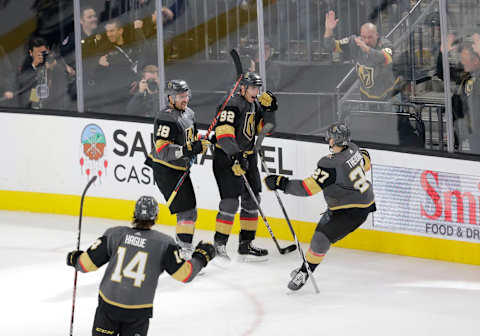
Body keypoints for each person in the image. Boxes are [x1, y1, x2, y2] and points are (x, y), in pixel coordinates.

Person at [66, 195, 215, 336]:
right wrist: (201, 257)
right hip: (137, 312)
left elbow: (85, 265)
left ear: (134, 214)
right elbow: (185, 274)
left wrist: (74, 258)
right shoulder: (164, 243)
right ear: (156, 217)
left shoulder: (115, 234)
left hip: (108, 306)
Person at [264, 122, 376, 290]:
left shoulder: (330, 164)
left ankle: (304, 272)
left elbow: (307, 189)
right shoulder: (353, 148)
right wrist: (361, 154)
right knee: (320, 234)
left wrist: (281, 183)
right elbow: (366, 161)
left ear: (333, 140)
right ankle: (307, 266)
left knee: (320, 238)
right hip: (352, 204)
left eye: (330, 136)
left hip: (352, 211)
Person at [211, 72, 277, 261]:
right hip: (226, 158)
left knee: (253, 199)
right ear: (243, 88)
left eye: (258, 88)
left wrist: (270, 110)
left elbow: (266, 130)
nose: (256, 92)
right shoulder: (231, 104)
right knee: (231, 202)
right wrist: (236, 155)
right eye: (253, 88)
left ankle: (245, 244)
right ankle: (220, 244)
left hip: (247, 158)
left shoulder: (255, 105)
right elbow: (223, 134)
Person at [145, 79, 208, 259]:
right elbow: (163, 150)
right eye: (180, 96)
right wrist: (188, 150)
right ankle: (183, 250)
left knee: (190, 209)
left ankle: (184, 244)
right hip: (166, 169)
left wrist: (201, 143)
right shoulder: (166, 117)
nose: (185, 99)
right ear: (170, 98)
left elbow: (191, 139)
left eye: (186, 95)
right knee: (186, 209)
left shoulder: (190, 113)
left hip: (179, 168)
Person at [324, 10, 400, 102]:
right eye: (364, 37)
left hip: (389, 96)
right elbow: (330, 45)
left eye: (370, 37)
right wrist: (329, 29)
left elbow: (385, 58)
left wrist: (366, 48)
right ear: (360, 35)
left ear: (377, 35)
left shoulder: (385, 44)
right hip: (366, 96)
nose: (366, 41)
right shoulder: (354, 42)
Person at [456, 37, 480, 153]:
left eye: (464, 58)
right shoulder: (468, 77)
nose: (462, 62)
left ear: (476, 60)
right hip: (473, 134)